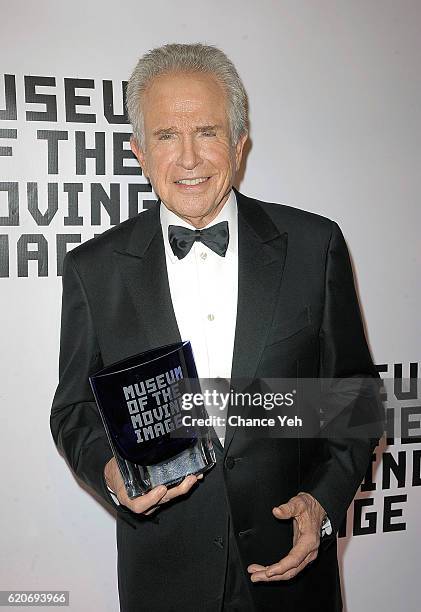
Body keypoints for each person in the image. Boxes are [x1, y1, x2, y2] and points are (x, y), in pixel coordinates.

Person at [50, 43, 384, 611]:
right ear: (137, 150)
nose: (188, 160)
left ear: (238, 142)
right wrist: (111, 473)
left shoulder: (313, 246)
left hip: (291, 574)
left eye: (206, 132)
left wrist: (324, 503)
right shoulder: (94, 269)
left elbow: (354, 401)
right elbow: (74, 409)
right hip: (163, 574)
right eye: (165, 136)